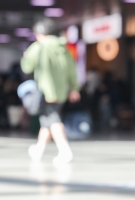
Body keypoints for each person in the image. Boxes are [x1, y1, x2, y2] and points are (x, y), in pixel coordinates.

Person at [21, 18, 81, 164]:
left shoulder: (39, 47)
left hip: (45, 92)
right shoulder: (64, 49)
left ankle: (65, 150)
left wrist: (26, 58)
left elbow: (27, 67)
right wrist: (74, 89)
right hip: (61, 92)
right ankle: (38, 150)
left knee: (53, 120)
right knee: (46, 121)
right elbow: (72, 71)